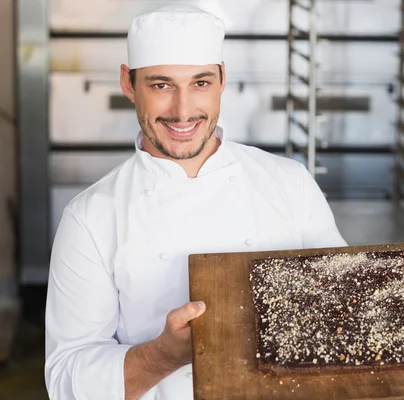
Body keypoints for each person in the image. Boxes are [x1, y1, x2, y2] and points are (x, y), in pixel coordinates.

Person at [44, 5, 346, 399]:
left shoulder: (290, 184)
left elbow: (343, 314)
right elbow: (66, 379)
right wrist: (162, 356)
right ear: (128, 83)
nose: (183, 111)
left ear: (222, 79)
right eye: (161, 85)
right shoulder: (91, 217)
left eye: (200, 83)